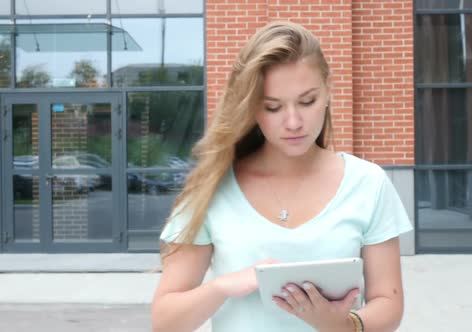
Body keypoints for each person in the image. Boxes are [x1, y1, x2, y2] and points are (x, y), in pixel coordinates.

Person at [151, 21, 413, 332]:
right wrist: (223, 287)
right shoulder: (213, 186)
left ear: (328, 90)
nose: (293, 122)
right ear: (252, 108)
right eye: (273, 107)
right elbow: (164, 321)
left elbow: (389, 303)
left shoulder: (368, 183)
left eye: (307, 101)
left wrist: (344, 325)